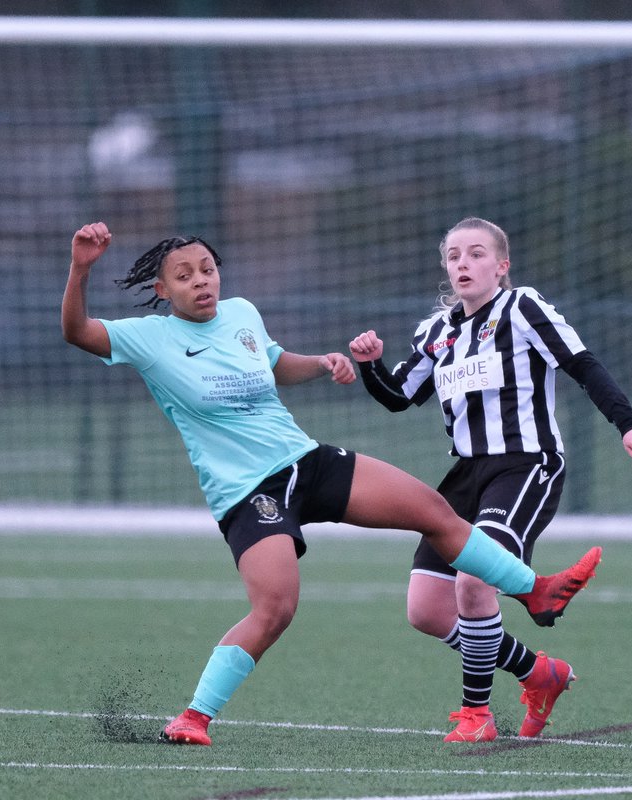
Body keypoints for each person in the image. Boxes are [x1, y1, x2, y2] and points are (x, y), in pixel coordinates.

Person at [61, 221, 604, 747]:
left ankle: (535, 590)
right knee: (275, 609)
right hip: (251, 494)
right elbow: (78, 332)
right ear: (162, 289)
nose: (201, 280)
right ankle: (193, 717)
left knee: (435, 511)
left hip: (307, 463)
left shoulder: (241, 314)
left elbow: (271, 363)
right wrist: (80, 270)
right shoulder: (149, 338)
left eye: (207, 269)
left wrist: (321, 364)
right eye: (184, 275)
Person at [349, 216, 632, 742]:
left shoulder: (523, 308)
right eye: (454, 256)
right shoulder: (438, 330)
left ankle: (477, 716)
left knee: (475, 579)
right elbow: (400, 396)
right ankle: (539, 675)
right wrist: (369, 364)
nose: (463, 264)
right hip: (466, 473)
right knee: (426, 609)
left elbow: (583, 364)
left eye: (475, 254)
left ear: (501, 265)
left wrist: (629, 426)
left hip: (525, 463)